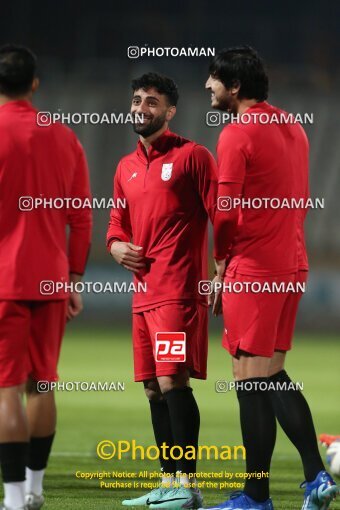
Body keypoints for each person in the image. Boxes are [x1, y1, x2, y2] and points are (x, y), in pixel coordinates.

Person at [204, 46, 339, 510]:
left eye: (215, 79)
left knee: (248, 380)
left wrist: (220, 268)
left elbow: (224, 214)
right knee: (272, 374)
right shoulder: (293, 126)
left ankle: (256, 497)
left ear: (234, 86)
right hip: (292, 263)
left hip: (254, 267)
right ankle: (317, 476)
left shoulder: (236, 134)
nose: (208, 86)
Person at [107, 72, 217, 510]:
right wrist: (115, 247)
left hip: (176, 293)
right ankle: (169, 481)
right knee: (153, 387)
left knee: (173, 380)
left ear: (169, 111)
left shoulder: (193, 156)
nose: (141, 108)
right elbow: (116, 224)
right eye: (137, 99)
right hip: (143, 296)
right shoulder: (124, 167)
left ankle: (188, 487)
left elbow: (221, 215)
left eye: (151, 102)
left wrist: (221, 272)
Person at [0, 44, 92, 510]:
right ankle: (35, 489)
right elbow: (82, 218)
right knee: (43, 383)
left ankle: (13, 499)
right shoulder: (65, 137)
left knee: (5, 389)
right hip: (51, 277)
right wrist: (74, 277)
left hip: (4, 280)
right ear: (34, 83)